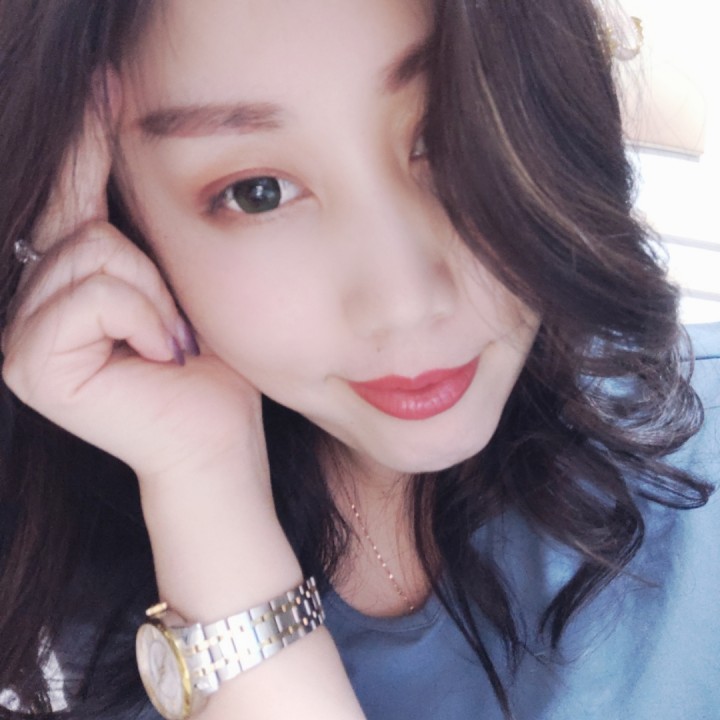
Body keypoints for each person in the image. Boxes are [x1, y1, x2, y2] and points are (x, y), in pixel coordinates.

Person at [0, 1, 717, 719]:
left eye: (444, 135)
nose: (405, 303)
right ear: (116, 213)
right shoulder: (67, 575)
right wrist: (205, 482)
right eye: (257, 193)